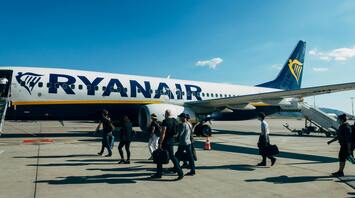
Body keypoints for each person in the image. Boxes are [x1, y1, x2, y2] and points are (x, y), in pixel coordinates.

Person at [151, 110, 184, 180]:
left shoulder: (165, 121)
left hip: (165, 141)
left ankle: (159, 174)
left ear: (166, 114)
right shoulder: (175, 121)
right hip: (171, 141)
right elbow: (177, 132)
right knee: (172, 156)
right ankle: (180, 172)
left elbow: (163, 132)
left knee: (160, 156)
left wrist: (160, 142)